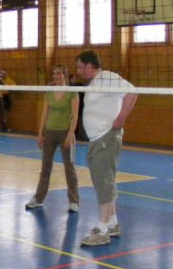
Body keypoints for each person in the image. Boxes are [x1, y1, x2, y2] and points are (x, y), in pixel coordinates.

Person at [76, 50, 137, 247]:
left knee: (103, 182)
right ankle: (112, 223)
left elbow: (132, 92)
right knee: (105, 181)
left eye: (80, 67)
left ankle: (102, 229)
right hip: (97, 139)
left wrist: (120, 119)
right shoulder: (94, 84)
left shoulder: (107, 78)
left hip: (106, 137)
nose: (78, 71)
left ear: (88, 65)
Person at [25, 65, 79, 213]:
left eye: (59, 74)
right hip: (50, 133)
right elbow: (44, 114)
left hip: (65, 133)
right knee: (45, 168)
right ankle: (38, 199)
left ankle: (74, 201)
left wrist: (70, 134)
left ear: (65, 75)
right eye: (54, 74)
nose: (56, 76)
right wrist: (40, 134)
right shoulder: (49, 92)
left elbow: (75, 115)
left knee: (70, 168)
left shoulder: (72, 93)